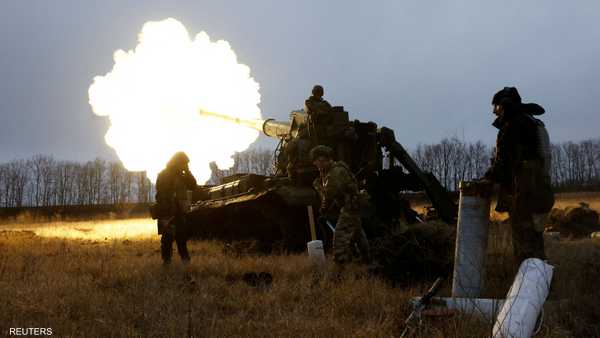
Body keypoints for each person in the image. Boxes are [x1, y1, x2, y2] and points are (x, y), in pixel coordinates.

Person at [481, 87, 554, 265]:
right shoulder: (532, 122)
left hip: (521, 192)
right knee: (535, 241)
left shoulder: (512, 125)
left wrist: (485, 179)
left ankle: (525, 288)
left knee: (524, 244)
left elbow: (504, 162)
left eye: (496, 106)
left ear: (504, 105)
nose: (493, 111)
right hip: (538, 189)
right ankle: (540, 284)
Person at [310, 145, 370, 266]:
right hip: (352, 207)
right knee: (357, 235)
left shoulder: (336, 172)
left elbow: (330, 193)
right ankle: (367, 262)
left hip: (350, 208)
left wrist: (318, 187)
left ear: (323, 159)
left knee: (339, 241)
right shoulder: (332, 170)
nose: (317, 166)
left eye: (317, 162)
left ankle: (340, 270)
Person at [155, 151, 197, 265]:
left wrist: (188, 172)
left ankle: (185, 260)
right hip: (167, 210)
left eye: (186, 164)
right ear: (177, 163)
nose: (185, 166)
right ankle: (167, 262)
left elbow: (193, 186)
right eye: (184, 163)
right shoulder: (164, 175)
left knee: (182, 236)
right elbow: (161, 193)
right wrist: (167, 205)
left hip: (179, 210)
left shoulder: (183, 176)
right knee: (167, 238)